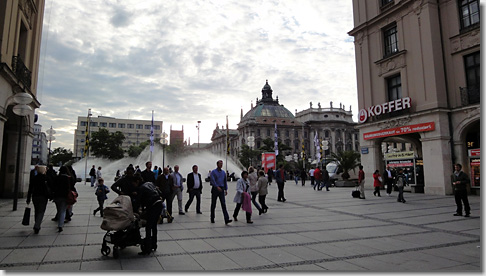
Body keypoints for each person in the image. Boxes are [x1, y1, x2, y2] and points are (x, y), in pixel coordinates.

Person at [132, 175, 163, 255]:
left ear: (137, 181)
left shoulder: (141, 188)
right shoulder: (150, 183)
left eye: (134, 183)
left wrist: (134, 210)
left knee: (148, 227)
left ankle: (147, 249)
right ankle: (154, 244)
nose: (133, 186)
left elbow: (138, 201)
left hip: (153, 206)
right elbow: (159, 192)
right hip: (159, 204)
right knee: (154, 226)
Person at [26, 165, 52, 234]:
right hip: (43, 197)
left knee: (36, 210)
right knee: (41, 211)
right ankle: (37, 225)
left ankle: (37, 223)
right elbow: (50, 187)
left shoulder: (34, 178)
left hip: (35, 196)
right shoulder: (46, 178)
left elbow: (30, 189)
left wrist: (28, 198)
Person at [209, 160, 232, 224]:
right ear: (217, 164)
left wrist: (226, 189)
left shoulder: (223, 172)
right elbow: (212, 180)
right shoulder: (213, 172)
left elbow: (225, 181)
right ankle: (212, 218)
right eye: (220, 164)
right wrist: (216, 186)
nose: (221, 165)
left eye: (222, 164)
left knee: (223, 204)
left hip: (221, 189)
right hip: (215, 189)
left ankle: (226, 219)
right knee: (213, 204)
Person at [52, 166, 71, 232]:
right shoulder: (68, 178)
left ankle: (59, 221)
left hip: (57, 196)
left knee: (59, 210)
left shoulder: (56, 178)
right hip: (65, 196)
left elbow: (53, 186)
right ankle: (60, 225)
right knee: (63, 210)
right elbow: (70, 187)